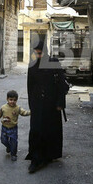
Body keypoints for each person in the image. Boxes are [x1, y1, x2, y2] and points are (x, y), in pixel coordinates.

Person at [25, 40, 69, 173]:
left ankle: (49, 155)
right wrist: (31, 105)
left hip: (52, 104)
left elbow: (61, 84)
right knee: (36, 130)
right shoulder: (32, 65)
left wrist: (60, 103)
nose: (38, 56)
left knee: (51, 129)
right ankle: (36, 158)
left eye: (41, 53)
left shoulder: (54, 63)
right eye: (36, 53)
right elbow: (30, 87)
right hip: (38, 104)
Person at [0, 90, 30, 161]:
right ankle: (8, 147)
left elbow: (24, 112)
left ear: (16, 100)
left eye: (14, 100)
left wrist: (31, 112)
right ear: (7, 99)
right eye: (10, 100)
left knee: (14, 142)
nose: (12, 101)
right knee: (3, 140)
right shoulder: (3, 107)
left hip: (13, 129)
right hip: (4, 128)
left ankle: (13, 154)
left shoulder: (18, 108)